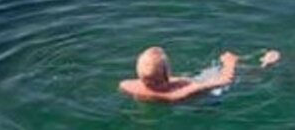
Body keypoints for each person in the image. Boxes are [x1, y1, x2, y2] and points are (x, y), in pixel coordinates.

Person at [119, 46, 281, 103]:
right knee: (240, 78)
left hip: (180, 86)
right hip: (207, 98)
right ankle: (265, 66)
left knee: (210, 73)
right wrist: (230, 62)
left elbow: (152, 82)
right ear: (168, 72)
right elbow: (226, 80)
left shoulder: (128, 86)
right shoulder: (179, 93)